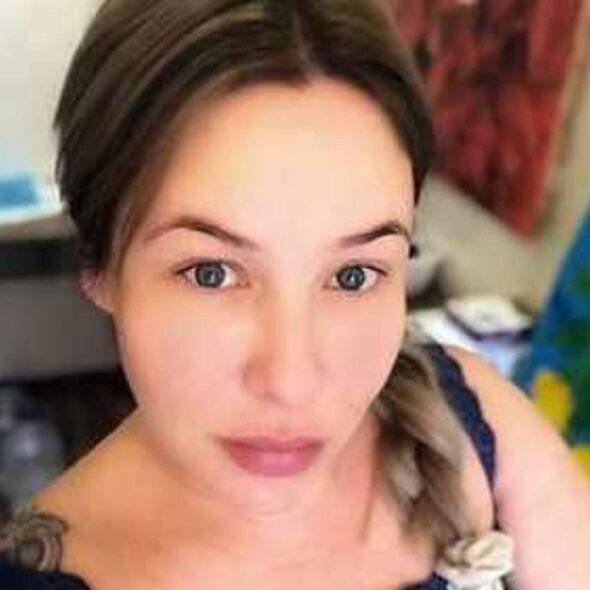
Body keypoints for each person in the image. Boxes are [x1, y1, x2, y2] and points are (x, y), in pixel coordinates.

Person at [1, 1, 589, 588]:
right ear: (99, 266)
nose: (292, 383)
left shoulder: (476, 427)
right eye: (211, 273)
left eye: (354, 275)